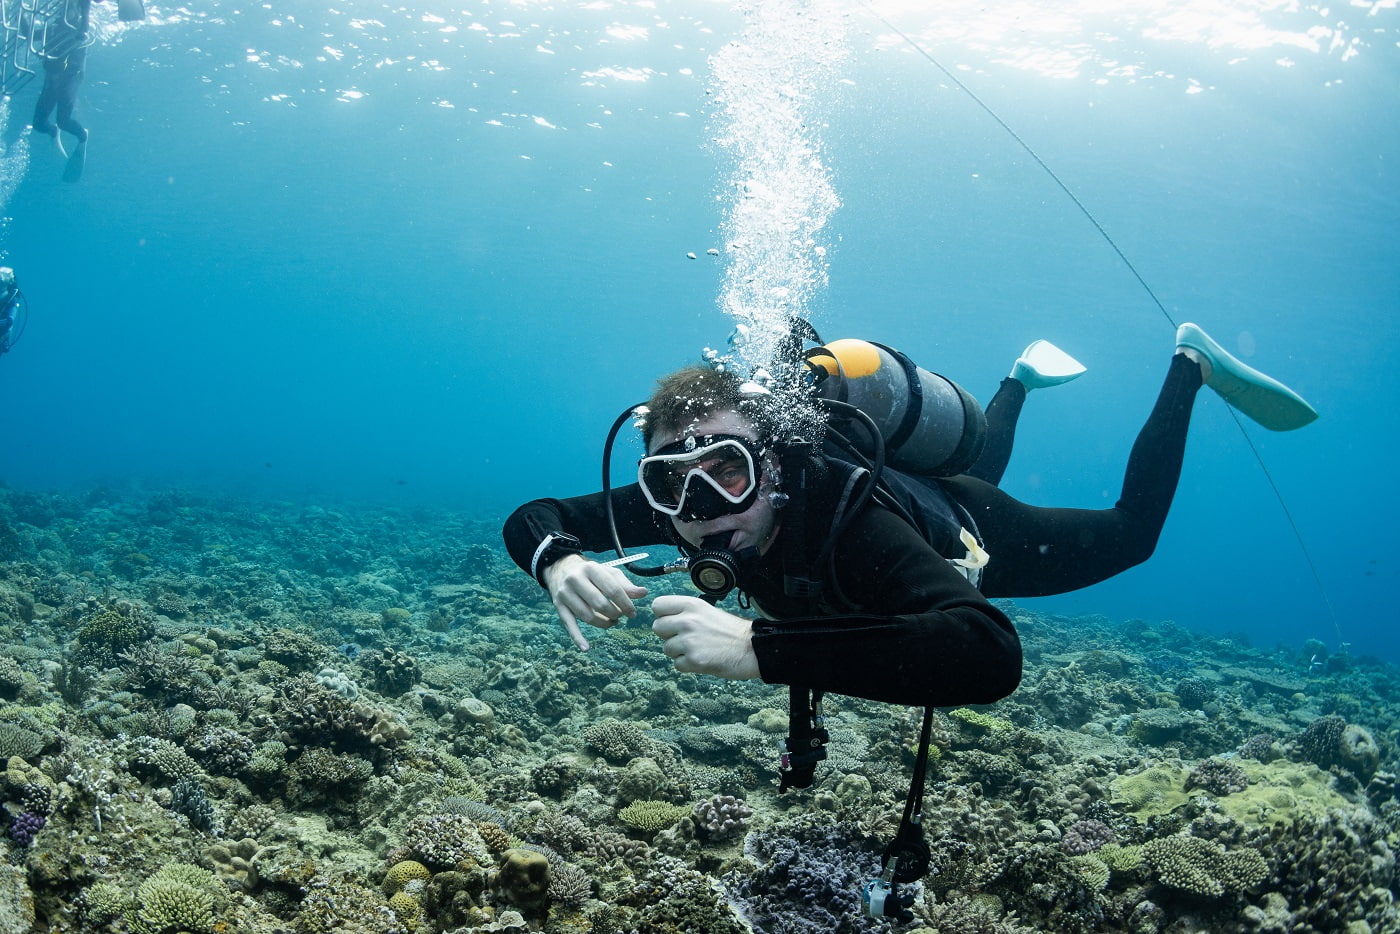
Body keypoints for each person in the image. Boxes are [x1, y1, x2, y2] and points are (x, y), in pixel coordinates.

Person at [502, 322, 1315, 712]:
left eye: (730, 467)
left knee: (1128, 533)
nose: (704, 505)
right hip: (924, 484)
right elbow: (535, 514)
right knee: (982, 448)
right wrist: (560, 559)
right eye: (671, 481)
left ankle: (1189, 364)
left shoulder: (848, 521)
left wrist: (761, 646)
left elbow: (986, 653)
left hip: (973, 527)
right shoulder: (690, 503)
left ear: (775, 464)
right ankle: (1020, 380)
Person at [31, 0, 106, 182]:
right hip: (52, 80)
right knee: (39, 124)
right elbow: (30, 33)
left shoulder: (81, 27)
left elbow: (85, 18)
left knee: (64, 121)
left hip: (71, 77)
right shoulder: (54, 29)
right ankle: (53, 132)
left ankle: (82, 137)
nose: (63, 13)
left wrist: (83, 17)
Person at [0, 267, 24, 357]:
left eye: (6, 272)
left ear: (11, 281)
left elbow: (9, 321)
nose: (1, 272)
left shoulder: (12, 301)